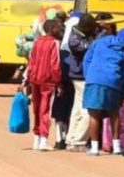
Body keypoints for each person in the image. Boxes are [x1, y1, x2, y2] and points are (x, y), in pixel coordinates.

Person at [82, 28, 124, 156]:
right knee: (114, 114)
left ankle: (94, 148)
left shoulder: (99, 42)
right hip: (113, 82)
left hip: (94, 79)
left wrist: (89, 76)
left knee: (94, 114)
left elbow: (87, 60)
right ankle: (116, 147)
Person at [25, 20, 63, 151]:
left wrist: (27, 79)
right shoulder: (54, 43)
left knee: (37, 109)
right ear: (52, 28)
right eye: (57, 27)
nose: (59, 29)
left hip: (35, 80)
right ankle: (43, 139)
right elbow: (55, 65)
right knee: (45, 110)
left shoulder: (37, 42)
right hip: (48, 82)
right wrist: (58, 83)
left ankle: (36, 138)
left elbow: (31, 62)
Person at [63, 14, 97, 152]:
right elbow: (88, 47)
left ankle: (71, 139)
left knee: (77, 109)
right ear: (86, 26)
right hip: (80, 76)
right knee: (88, 110)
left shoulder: (80, 33)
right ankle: (78, 141)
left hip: (79, 76)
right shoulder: (75, 38)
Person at [52, 11, 82, 149]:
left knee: (60, 107)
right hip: (71, 81)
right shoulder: (79, 46)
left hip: (60, 82)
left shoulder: (60, 46)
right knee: (70, 107)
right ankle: (67, 136)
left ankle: (60, 139)